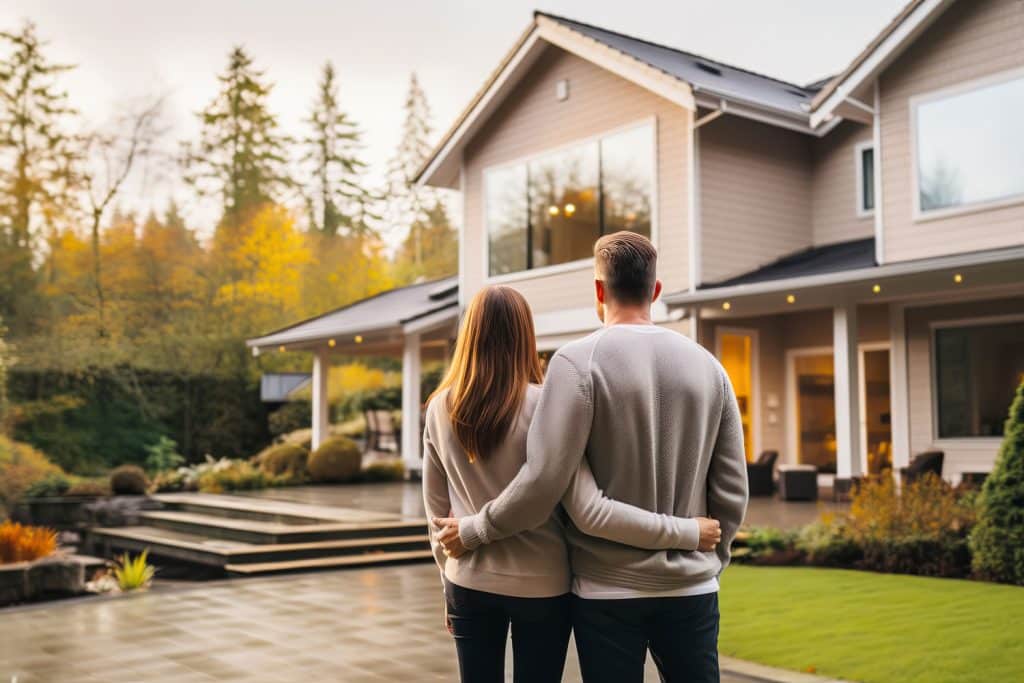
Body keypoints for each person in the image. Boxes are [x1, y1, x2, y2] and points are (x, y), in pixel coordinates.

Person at [435, 231, 749, 683]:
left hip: (607, 592)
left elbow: (550, 485)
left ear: (599, 291)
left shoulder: (576, 364)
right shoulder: (709, 367)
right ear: (655, 291)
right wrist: (708, 559)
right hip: (691, 587)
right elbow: (732, 492)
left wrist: (475, 529)